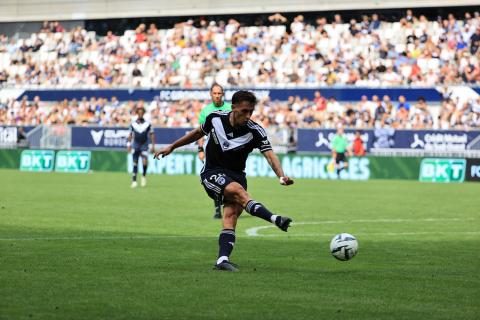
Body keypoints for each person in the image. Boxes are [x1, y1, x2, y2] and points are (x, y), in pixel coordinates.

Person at [154, 91, 294, 272]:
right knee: (239, 193)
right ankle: (275, 219)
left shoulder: (255, 130)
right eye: (244, 111)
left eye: (251, 111)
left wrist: (281, 175)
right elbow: (197, 133)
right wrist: (172, 146)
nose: (248, 115)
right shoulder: (215, 118)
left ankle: (222, 260)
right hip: (212, 172)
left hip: (237, 175)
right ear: (233, 107)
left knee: (230, 217)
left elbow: (269, 155)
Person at [198, 83, 232, 219]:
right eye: (215, 93)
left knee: (230, 180)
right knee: (216, 180)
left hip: (230, 151)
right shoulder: (206, 111)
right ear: (211, 94)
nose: (217, 96)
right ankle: (218, 209)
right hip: (213, 152)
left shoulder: (230, 108)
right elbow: (200, 132)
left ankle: (230, 206)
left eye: (219, 93)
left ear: (222, 94)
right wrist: (200, 149)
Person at [127, 106, 155, 188]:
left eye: (141, 112)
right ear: (137, 113)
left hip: (144, 145)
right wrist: (128, 144)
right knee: (135, 162)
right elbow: (130, 135)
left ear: (143, 113)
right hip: (135, 144)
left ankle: (143, 176)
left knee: (145, 161)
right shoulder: (133, 124)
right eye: (139, 112)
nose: (140, 114)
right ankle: (134, 180)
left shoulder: (147, 124)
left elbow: (152, 134)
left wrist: (153, 145)